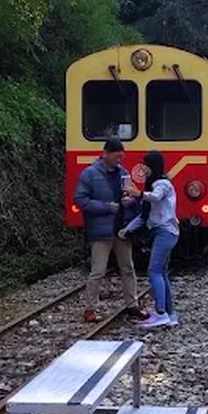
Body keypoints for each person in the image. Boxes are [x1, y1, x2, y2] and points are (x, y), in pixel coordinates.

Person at [72, 138, 144, 323]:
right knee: (98, 271)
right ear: (106, 154)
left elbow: (131, 192)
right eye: (117, 156)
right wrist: (106, 207)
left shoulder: (123, 173)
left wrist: (131, 200)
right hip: (101, 231)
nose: (120, 159)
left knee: (128, 268)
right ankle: (90, 308)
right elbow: (80, 199)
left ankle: (132, 304)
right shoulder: (89, 174)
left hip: (121, 229)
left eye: (122, 156)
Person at [120, 150, 180, 329]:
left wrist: (137, 193)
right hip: (165, 232)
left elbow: (156, 197)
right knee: (162, 273)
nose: (143, 168)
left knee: (154, 271)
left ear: (152, 166)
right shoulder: (154, 184)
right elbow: (143, 216)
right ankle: (171, 314)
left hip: (165, 232)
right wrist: (126, 230)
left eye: (146, 164)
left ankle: (160, 313)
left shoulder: (162, 184)